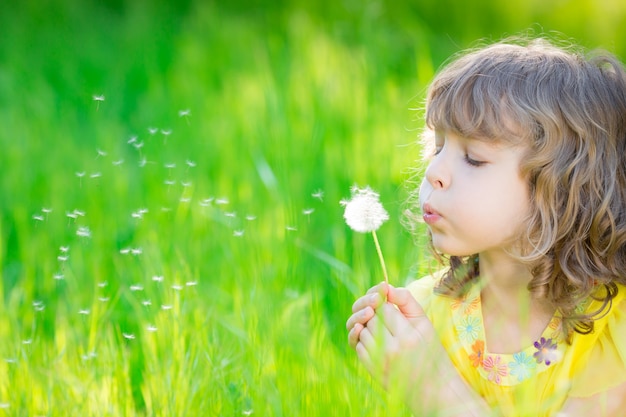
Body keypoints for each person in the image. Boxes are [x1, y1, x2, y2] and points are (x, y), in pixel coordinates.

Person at [346, 35, 626, 416]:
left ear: (561, 190)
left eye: (474, 158)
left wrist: (434, 390)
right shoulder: (425, 316)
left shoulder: (611, 333)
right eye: (438, 148)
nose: (434, 173)